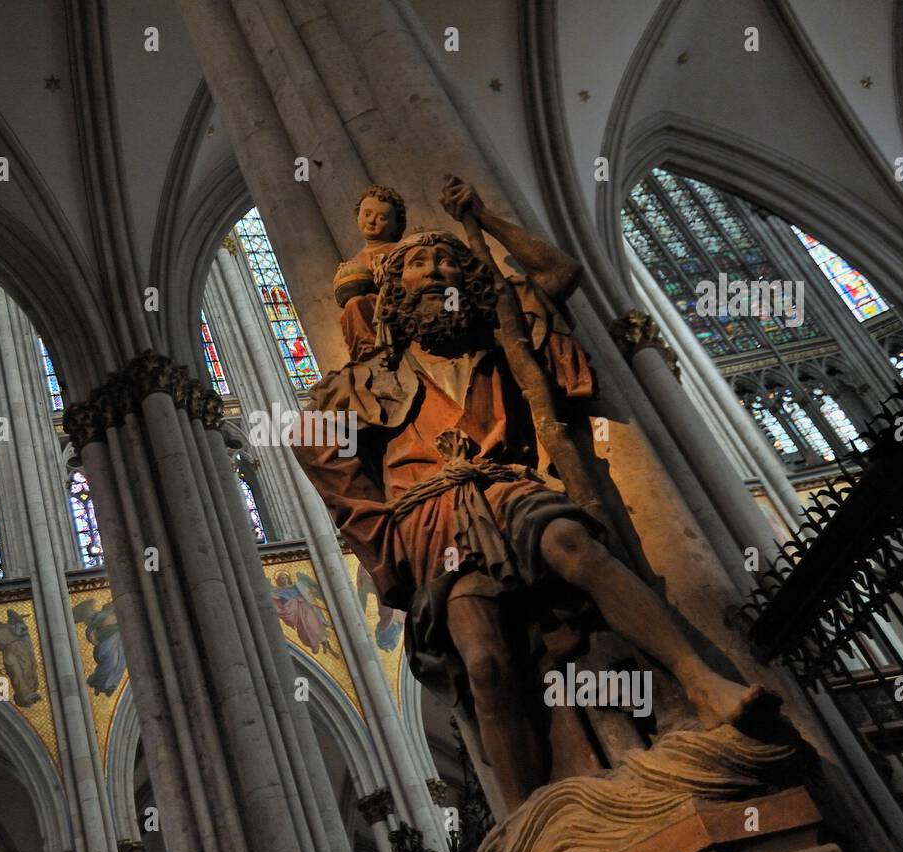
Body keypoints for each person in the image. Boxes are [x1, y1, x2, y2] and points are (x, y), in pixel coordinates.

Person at [295, 177, 779, 812]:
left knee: (573, 544)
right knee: (486, 663)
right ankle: (524, 815)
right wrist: (379, 528)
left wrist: (484, 218)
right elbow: (311, 438)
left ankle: (702, 682)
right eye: (418, 265)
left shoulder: (500, 339)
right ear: (394, 293)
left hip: (506, 486)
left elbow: (559, 270)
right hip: (432, 519)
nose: (436, 272)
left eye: (447, 261)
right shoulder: (370, 376)